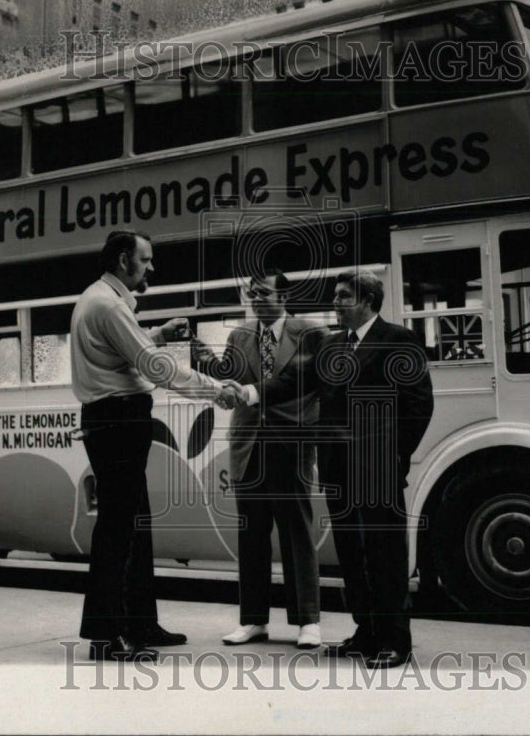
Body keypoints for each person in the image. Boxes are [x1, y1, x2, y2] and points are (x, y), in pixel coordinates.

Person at [228, 270, 433, 669]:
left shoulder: (397, 340)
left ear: (368, 301)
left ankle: (396, 640)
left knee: (384, 552)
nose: (335, 303)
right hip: (338, 467)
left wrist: (396, 456)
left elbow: (418, 405)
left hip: (377, 468)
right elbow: (293, 380)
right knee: (352, 554)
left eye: (343, 296)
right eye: (335, 296)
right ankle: (366, 631)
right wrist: (251, 391)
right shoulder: (333, 345)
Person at [71, 229, 238, 662]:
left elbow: (129, 350)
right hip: (117, 421)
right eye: (145, 260)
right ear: (124, 260)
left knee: (134, 524)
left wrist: (158, 334)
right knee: (118, 529)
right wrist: (214, 389)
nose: (151, 268)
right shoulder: (108, 304)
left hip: (115, 420)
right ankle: (107, 638)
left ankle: (140, 623)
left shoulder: (103, 299)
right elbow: (155, 367)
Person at [195, 268, 324, 649]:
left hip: (291, 442)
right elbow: (233, 382)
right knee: (251, 534)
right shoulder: (240, 335)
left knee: (296, 532)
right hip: (249, 442)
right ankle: (253, 620)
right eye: (252, 293)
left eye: (263, 293)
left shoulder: (310, 332)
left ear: (283, 297)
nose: (255, 299)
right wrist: (208, 365)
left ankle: (308, 622)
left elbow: (308, 382)